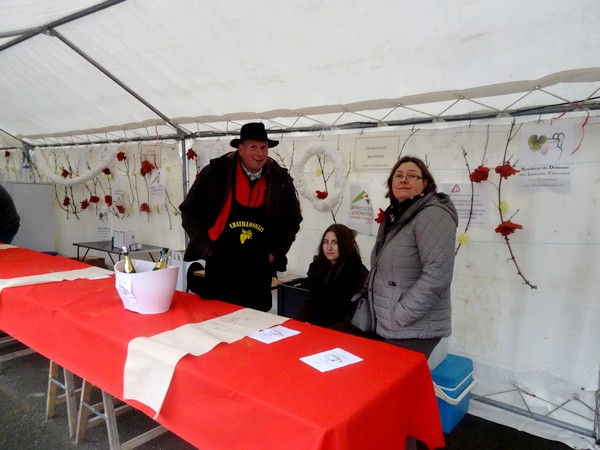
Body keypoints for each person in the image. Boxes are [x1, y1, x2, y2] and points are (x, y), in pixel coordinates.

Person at [180, 122, 303, 312]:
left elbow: (293, 222)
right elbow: (189, 211)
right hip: (220, 268)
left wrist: (274, 253)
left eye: (263, 147)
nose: (260, 153)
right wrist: (206, 250)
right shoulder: (215, 173)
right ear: (240, 149)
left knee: (254, 329)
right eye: (253, 147)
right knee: (217, 322)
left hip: (258, 271)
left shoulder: (280, 180)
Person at [365, 155, 458, 359]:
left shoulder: (432, 215)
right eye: (398, 175)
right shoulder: (396, 216)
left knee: (396, 383)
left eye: (412, 175)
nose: (403, 179)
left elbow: (437, 275)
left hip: (412, 328)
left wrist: (401, 314)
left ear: (425, 183)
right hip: (391, 325)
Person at [299, 224, 369, 333]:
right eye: (326, 242)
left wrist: (327, 332)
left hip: (342, 335)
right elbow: (310, 301)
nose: (329, 247)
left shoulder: (358, 273)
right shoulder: (319, 268)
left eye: (335, 243)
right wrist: (304, 323)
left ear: (345, 244)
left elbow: (354, 315)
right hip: (316, 330)